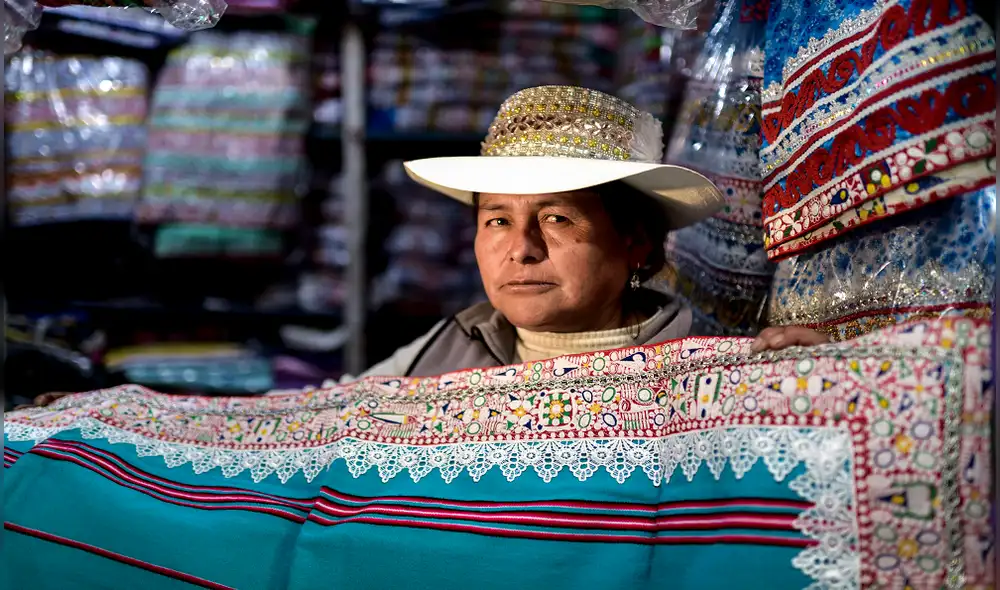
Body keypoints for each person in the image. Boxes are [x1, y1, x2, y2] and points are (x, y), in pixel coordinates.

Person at [21, 85, 827, 408]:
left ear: (638, 242)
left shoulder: (714, 365)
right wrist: (122, 415)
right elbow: (311, 418)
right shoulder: (451, 345)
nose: (522, 251)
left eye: (559, 221)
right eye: (497, 222)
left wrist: (808, 376)